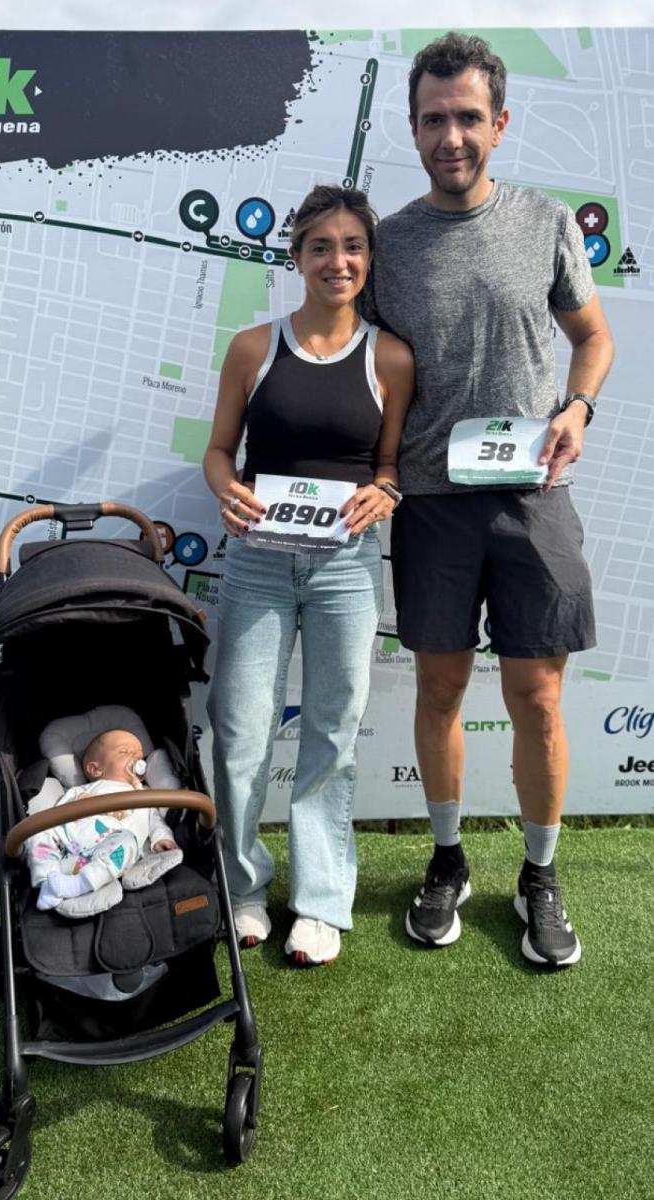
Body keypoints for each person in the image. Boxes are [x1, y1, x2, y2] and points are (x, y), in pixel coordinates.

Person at [372, 32, 614, 966]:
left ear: (499, 123)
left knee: (537, 698)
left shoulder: (546, 222)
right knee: (437, 688)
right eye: (434, 118)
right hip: (429, 504)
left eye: (468, 116)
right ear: (413, 127)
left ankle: (539, 875)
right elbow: (363, 372)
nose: (451, 135)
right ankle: (445, 859)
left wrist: (579, 408)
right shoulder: (386, 244)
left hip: (530, 496)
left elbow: (590, 337)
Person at [204, 184, 414, 966]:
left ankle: (320, 902)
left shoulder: (389, 356)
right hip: (257, 563)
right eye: (320, 246)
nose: (337, 260)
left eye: (352, 246)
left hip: (346, 571)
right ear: (294, 257)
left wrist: (383, 490)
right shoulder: (253, 348)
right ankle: (242, 888)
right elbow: (219, 450)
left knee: (331, 733)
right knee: (238, 732)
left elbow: (389, 464)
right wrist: (223, 488)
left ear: (368, 259)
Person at [25, 729, 182, 917]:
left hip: (112, 850)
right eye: (124, 752)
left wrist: (161, 838)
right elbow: (60, 814)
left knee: (127, 842)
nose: (136, 757)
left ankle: (79, 884)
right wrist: (81, 801)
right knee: (37, 832)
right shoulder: (82, 790)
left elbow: (155, 821)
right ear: (95, 769)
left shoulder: (144, 796)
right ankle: (46, 881)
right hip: (71, 848)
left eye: (140, 755)